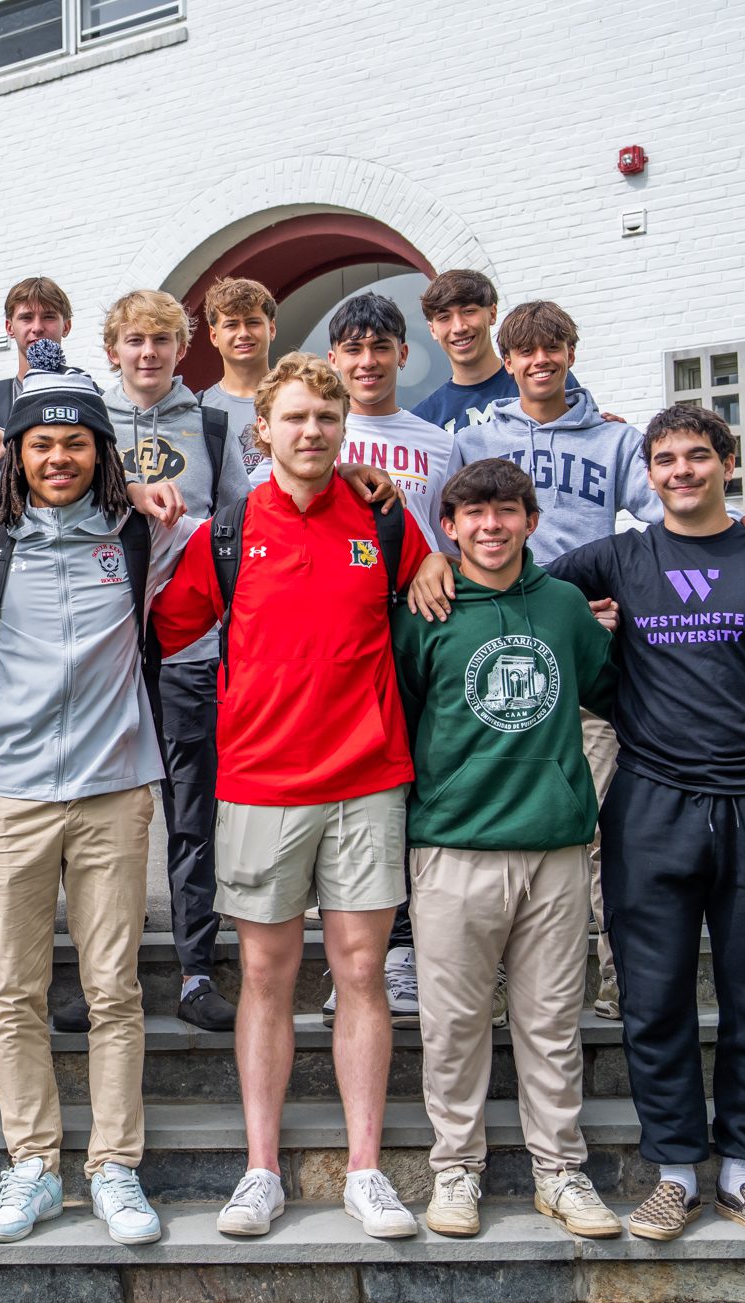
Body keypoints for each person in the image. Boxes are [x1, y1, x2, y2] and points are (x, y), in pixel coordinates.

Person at [414, 301, 745, 1022]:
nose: (540, 362)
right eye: (526, 352)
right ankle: (491, 981)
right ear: (508, 361)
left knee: (596, 829)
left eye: (552, 348)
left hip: (581, 646)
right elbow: (448, 520)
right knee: (493, 819)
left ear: (571, 352)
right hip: (493, 646)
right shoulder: (474, 439)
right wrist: (432, 562)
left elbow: (679, 517)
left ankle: (621, 982)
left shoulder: (616, 442)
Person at [150, 354, 431, 1242]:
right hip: (260, 782)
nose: (313, 431)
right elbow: (168, 628)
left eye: (327, 417)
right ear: (263, 429)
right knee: (266, 976)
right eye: (297, 417)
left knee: (361, 974)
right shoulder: (227, 532)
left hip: (367, 779)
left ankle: (365, 1170)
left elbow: (436, 595)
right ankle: (262, 1168)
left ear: (345, 428)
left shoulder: (385, 521)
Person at [546, 404, 745, 1246]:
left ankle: (743, 1173)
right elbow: (508, 577)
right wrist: (435, 570)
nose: (682, 471)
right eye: (666, 458)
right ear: (648, 473)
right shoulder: (618, 557)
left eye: (698, 456)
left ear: (728, 464)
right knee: (654, 995)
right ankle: (675, 1172)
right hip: (651, 803)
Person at [0, 342, 193, 1246]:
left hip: (113, 791)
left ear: (101, 449)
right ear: (16, 452)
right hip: (10, 792)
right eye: (41, 443)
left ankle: (115, 1166)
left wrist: (366, 484)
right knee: (14, 991)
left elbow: (256, 516)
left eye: (76, 442)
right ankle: (34, 1166)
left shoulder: (142, 534)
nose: (58, 457)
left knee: (113, 987)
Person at [389, 457, 622, 1241]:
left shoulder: (562, 605)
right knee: (453, 1023)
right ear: (449, 525)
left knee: (551, 1021)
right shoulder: (426, 608)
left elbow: (604, 689)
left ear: (530, 520)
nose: (491, 525)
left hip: (554, 846)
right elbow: (405, 708)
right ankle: (456, 1167)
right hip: (455, 844)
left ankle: (560, 1170)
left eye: (507, 511)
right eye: (475, 513)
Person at [101, 287, 248, 1033]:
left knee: (191, 813)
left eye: (161, 339)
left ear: (181, 349)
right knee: (108, 820)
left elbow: (239, 526)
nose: (148, 352)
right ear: (113, 350)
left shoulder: (212, 424)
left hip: (189, 643)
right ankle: (106, 978)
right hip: (104, 645)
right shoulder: (89, 422)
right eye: (135, 339)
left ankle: (195, 972)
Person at [321, 290, 459, 1028]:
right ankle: (351, 959)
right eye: (354, 349)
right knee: (344, 797)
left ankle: (406, 949)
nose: (368, 361)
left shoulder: (436, 442)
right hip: (337, 638)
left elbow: (452, 533)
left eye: (381, 347)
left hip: (415, 632)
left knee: (407, 789)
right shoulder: (319, 432)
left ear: (405, 354)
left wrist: (433, 557)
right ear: (333, 358)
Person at [410, 269, 581, 436]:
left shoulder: (546, 378)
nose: (459, 327)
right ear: (432, 330)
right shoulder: (423, 420)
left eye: (468, 311)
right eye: (444, 318)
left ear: (492, 313)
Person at [0, 276, 74, 465]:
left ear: (66, 326)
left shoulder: (93, 397)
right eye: (26, 318)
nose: (37, 328)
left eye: (48, 317)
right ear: (9, 327)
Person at [196, 276, 277, 484]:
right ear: (214, 336)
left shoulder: (296, 398)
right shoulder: (197, 408)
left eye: (253, 322)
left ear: (271, 329)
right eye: (231, 325)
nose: (243, 333)